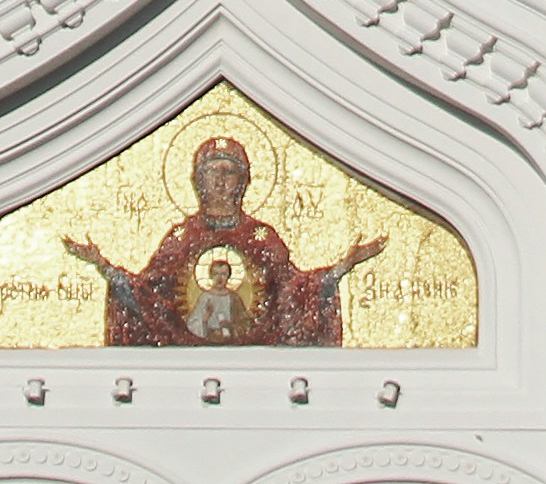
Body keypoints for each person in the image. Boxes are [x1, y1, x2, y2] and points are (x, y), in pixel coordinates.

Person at [62, 137, 385, 347]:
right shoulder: (181, 238)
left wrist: (344, 266)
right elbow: (150, 298)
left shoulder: (262, 238)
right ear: (197, 180)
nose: (219, 180)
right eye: (211, 171)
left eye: (229, 172)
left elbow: (293, 292)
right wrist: (103, 266)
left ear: (243, 181)